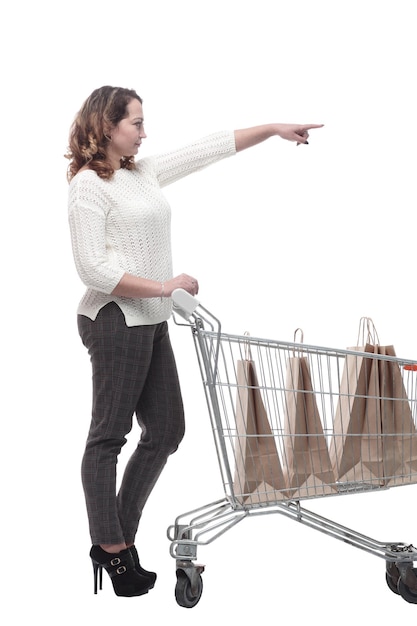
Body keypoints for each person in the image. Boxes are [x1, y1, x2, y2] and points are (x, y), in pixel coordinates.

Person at [66, 85, 323, 598]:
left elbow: (209, 147)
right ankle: (113, 548)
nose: (144, 131)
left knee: (166, 428)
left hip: (152, 319)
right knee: (109, 436)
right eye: (136, 123)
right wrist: (164, 285)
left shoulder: (142, 173)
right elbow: (93, 268)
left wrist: (271, 129)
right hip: (116, 320)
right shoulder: (89, 187)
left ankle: (115, 537)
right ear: (107, 128)